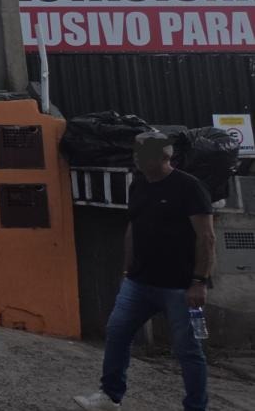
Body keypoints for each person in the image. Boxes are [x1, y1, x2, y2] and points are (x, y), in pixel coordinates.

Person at [75, 131, 216, 411]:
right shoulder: (138, 185)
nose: (136, 158)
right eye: (136, 152)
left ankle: (196, 407)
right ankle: (110, 396)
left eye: (143, 153)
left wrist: (199, 281)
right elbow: (133, 226)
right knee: (117, 333)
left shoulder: (189, 187)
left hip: (181, 286)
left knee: (188, 350)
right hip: (139, 282)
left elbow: (206, 237)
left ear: (163, 156)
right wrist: (127, 270)